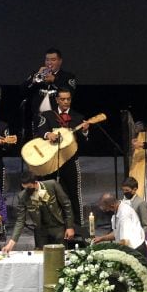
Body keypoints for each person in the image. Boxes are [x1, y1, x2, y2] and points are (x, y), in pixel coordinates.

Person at [34, 89, 89, 227]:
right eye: (63, 99)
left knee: (73, 192)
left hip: (70, 160)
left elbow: (84, 142)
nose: (65, 102)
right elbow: (39, 131)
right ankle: (48, 224)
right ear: (57, 100)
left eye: (68, 99)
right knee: (47, 192)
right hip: (51, 160)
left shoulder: (78, 117)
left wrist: (85, 131)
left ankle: (77, 224)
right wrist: (48, 134)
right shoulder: (47, 115)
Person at [2, 170, 75, 252]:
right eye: (24, 188)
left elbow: (66, 205)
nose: (27, 190)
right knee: (41, 258)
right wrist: (11, 243)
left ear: (35, 183)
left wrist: (70, 227)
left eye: (29, 187)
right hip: (41, 232)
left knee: (60, 256)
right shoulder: (22, 196)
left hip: (58, 228)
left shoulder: (52, 185)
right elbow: (20, 220)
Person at [22, 48, 77, 129]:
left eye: (53, 60)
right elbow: (22, 91)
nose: (49, 63)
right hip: (38, 118)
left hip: (58, 119)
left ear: (60, 61)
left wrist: (54, 80)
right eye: (47, 60)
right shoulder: (37, 74)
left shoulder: (67, 77)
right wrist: (34, 80)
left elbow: (70, 92)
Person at [93, 177, 147, 243]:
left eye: (127, 190)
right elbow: (118, 231)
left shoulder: (140, 203)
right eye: (123, 190)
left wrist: (138, 236)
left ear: (134, 189)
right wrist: (102, 238)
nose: (124, 192)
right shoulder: (121, 203)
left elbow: (146, 225)